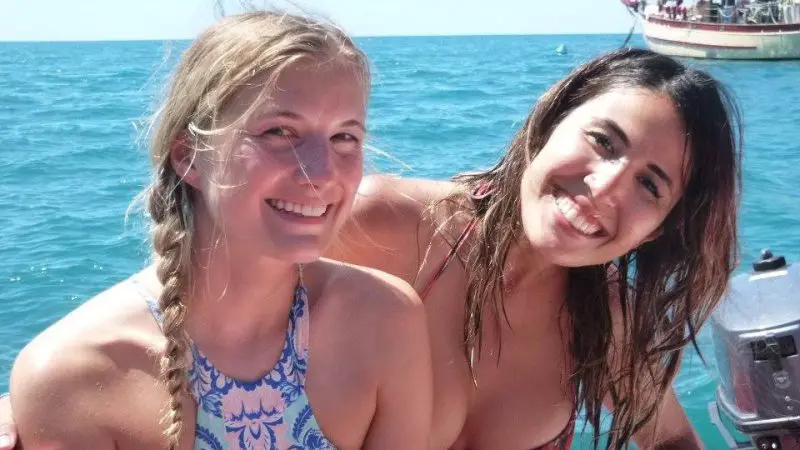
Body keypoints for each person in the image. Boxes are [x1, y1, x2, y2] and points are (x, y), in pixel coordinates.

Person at [0, 49, 741, 449]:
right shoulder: (388, 223)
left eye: (650, 185)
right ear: (548, 125)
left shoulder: (610, 325)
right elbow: (213, 277)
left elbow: (671, 439)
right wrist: (29, 399)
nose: (605, 188)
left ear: (662, 225)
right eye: (602, 142)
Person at [3, 10, 432, 450]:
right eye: (280, 132)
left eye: (345, 137)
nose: (322, 172)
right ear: (188, 157)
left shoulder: (385, 321)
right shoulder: (75, 376)